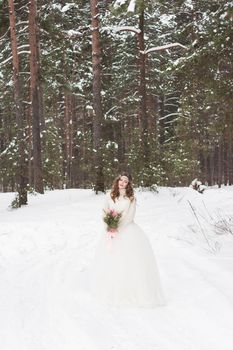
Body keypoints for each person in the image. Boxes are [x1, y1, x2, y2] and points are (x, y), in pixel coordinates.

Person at [90, 172, 165, 308]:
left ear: (129, 184)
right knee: (112, 261)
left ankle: (131, 292)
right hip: (110, 232)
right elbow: (104, 212)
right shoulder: (109, 195)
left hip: (127, 231)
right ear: (117, 180)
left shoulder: (131, 198)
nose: (122, 183)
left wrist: (117, 227)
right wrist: (109, 226)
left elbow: (130, 217)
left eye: (126, 181)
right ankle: (111, 289)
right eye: (121, 180)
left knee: (130, 261)